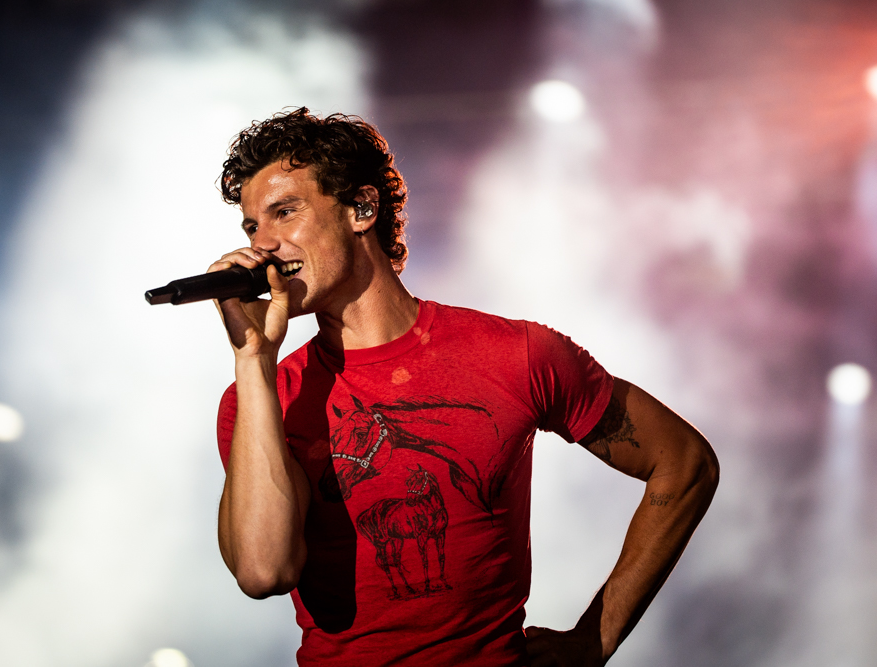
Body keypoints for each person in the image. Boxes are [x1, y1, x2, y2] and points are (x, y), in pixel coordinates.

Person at [210, 107, 719, 667]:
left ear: (362, 209)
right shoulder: (259, 398)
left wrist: (594, 637)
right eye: (252, 227)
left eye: (285, 212)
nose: (263, 245)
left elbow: (684, 463)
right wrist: (254, 358)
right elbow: (264, 572)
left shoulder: (517, 354)